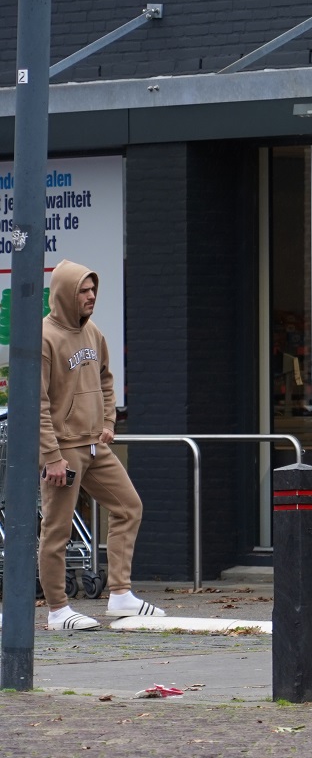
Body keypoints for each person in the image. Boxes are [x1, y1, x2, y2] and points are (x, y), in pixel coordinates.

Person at [36, 261, 164, 630]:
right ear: (64, 293)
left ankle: (121, 594)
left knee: (128, 507)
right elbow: (38, 402)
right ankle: (58, 611)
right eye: (83, 290)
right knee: (57, 530)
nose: (91, 296)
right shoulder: (44, 337)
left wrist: (108, 422)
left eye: (93, 290)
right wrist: (52, 457)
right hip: (64, 449)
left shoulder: (93, 333)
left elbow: (107, 380)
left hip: (95, 444)